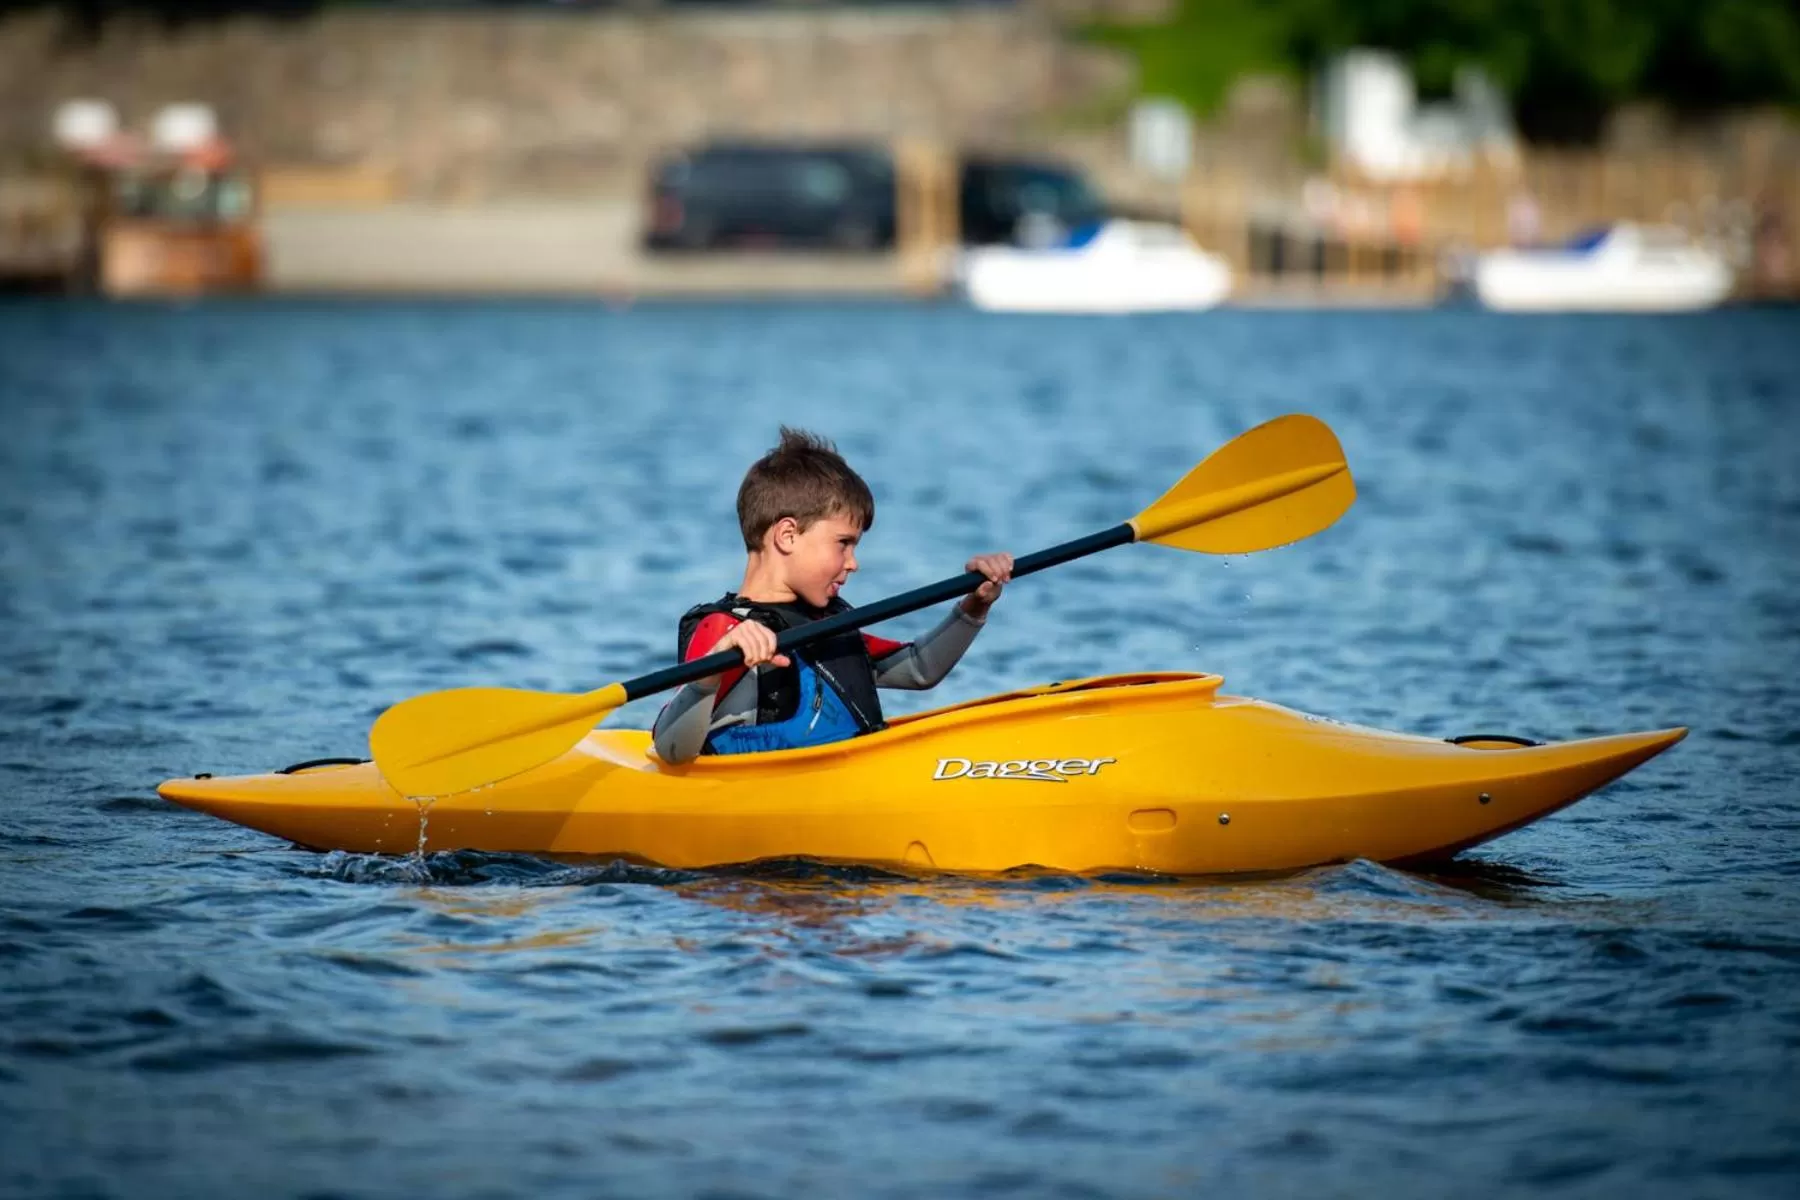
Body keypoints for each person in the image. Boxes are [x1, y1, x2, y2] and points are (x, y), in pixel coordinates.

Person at [652, 427, 1012, 763]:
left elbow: (920, 668)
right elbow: (671, 750)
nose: (853, 563)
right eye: (843, 544)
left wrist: (976, 604)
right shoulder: (723, 630)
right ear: (787, 536)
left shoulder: (828, 625)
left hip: (844, 782)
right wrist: (709, 674)